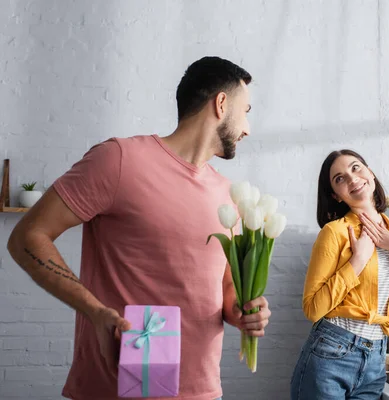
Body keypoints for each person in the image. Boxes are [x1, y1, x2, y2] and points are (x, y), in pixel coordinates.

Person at [7, 56, 271, 400]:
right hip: (115, 390)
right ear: (221, 104)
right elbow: (28, 237)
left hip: (201, 391)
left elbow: (224, 292)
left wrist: (244, 313)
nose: (248, 127)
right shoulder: (119, 160)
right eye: (246, 110)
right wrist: (96, 312)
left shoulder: (228, 195)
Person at [290, 149, 389, 399]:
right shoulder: (334, 233)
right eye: (340, 178)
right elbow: (312, 309)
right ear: (336, 195)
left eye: (356, 168)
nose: (352, 178)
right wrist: (357, 261)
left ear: (371, 174)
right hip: (330, 354)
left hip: (376, 359)